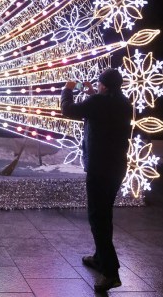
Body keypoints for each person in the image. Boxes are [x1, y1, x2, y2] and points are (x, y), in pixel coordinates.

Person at [60, 67, 133, 293]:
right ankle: (100, 259)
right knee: (104, 214)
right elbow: (102, 110)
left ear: (103, 85)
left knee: (98, 217)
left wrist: (67, 90)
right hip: (116, 167)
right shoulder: (124, 103)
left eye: (99, 83)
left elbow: (68, 109)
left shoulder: (98, 103)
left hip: (99, 168)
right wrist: (94, 94)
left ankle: (110, 273)